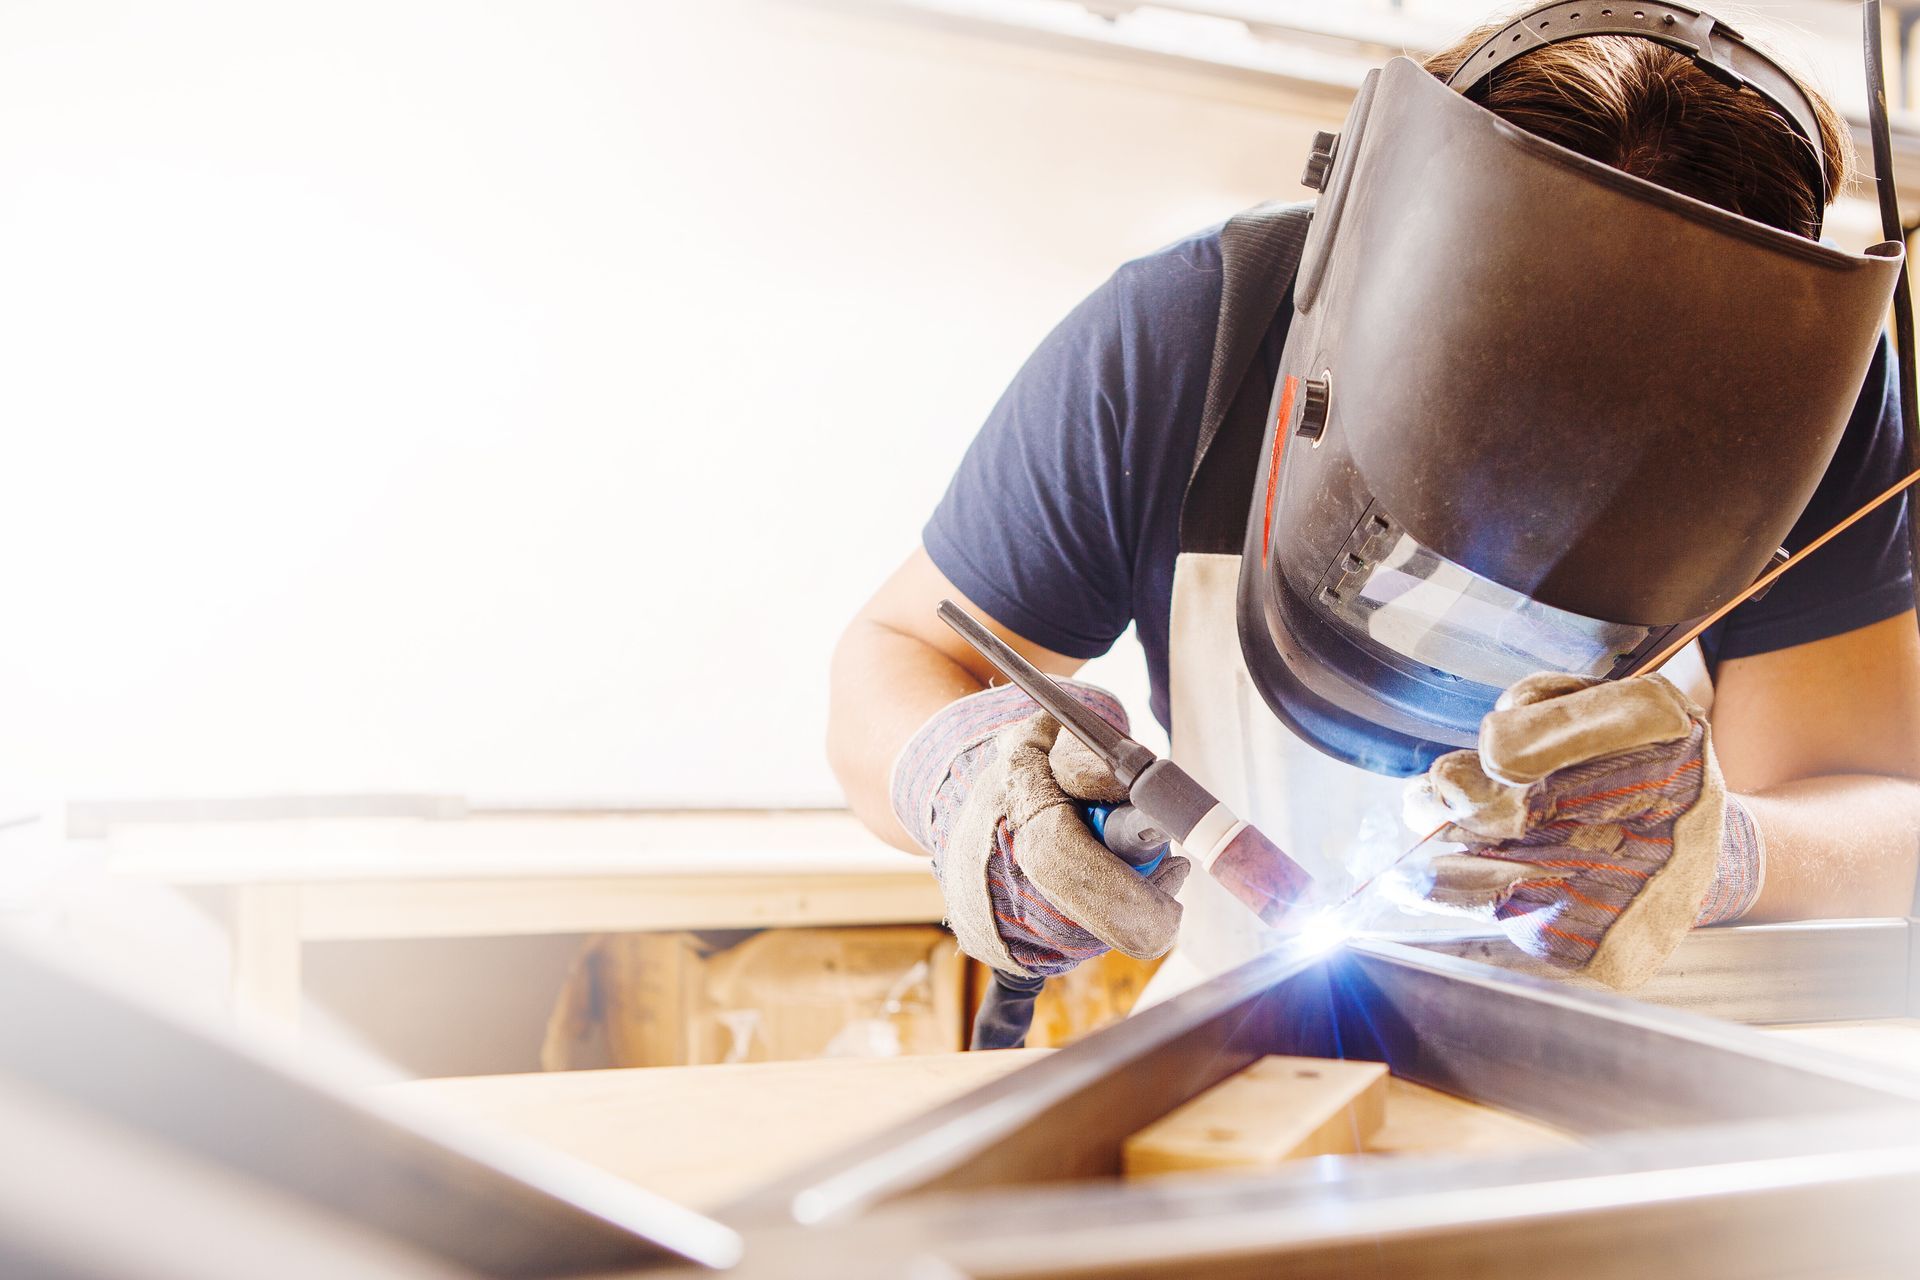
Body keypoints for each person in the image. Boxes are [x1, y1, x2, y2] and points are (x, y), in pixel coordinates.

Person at [829, 3, 1920, 1002]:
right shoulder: (1193, 337)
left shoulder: (1803, 399)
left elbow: (1873, 807)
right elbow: (894, 655)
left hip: (1636, 1053)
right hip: (1257, 1042)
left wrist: (1723, 851)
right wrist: (967, 782)